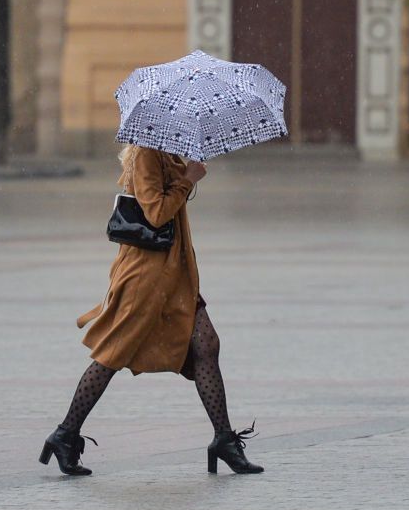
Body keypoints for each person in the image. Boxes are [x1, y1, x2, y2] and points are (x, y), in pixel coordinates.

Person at [39, 145, 263, 476]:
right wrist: (188, 179)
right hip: (146, 275)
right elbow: (156, 213)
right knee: (113, 354)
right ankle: (65, 434)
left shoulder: (167, 154)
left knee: (206, 344)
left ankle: (223, 440)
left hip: (172, 274)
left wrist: (185, 173)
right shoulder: (146, 153)